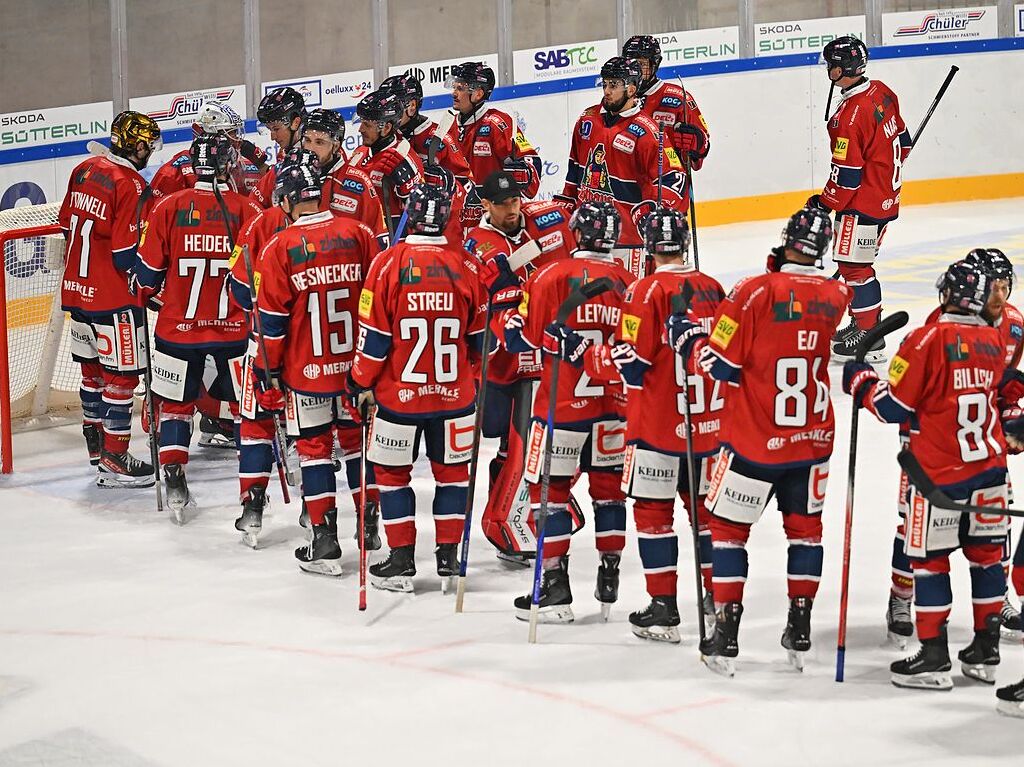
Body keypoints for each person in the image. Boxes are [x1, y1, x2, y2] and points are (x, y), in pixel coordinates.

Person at [671, 207, 851, 675]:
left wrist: (689, 340)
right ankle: (801, 624)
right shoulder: (837, 294)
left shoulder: (752, 292)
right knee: (806, 533)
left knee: (729, 533)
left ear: (786, 239)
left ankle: (726, 631)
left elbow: (720, 366)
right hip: (813, 442)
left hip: (754, 442)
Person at [844, 259, 1014, 690]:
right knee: (988, 560)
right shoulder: (996, 340)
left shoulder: (925, 339)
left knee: (931, 563)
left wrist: (862, 381)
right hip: (991, 472)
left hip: (935, 477)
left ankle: (934, 656)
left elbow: (893, 408)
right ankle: (986, 650)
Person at [348, 183, 487, 593]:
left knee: (391, 475)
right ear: (445, 217)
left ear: (409, 212)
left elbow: (373, 337)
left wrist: (359, 381)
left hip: (398, 399)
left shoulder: (387, 264)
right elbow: (480, 341)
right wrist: (469, 381)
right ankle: (448, 557)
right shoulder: (467, 265)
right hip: (454, 396)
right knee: (453, 476)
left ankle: (402, 559)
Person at [500, 201, 634, 623]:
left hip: (560, 408)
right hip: (613, 407)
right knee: (609, 492)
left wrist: (507, 319)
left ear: (577, 233)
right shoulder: (630, 284)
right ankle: (609, 575)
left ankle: (555, 585)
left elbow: (525, 343)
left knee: (550, 495)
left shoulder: (550, 276)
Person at [884, 248, 1024, 645]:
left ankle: (997, 603)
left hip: (982, 447)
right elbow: (916, 394)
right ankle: (901, 596)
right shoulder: (939, 326)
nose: (998, 296)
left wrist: (1013, 421)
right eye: (991, 287)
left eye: (1004, 286)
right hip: (931, 449)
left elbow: (1000, 387)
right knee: (913, 527)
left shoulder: (1014, 325)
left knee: (995, 525)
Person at [251, 160, 381, 572]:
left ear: (288, 201)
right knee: (359, 444)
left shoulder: (279, 247)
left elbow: (269, 323)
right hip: (358, 369)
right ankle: (371, 524)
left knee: (314, 450)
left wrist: (265, 374)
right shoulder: (359, 234)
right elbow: (380, 301)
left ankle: (323, 537)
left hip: (306, 373)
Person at [133, 134, 262, 518]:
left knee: (175, 405)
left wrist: (143, 289)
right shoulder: (246, 210)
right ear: (227, 165)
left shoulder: (168, 207)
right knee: (245, 407)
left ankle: (173, 473)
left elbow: (146, 277)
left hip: (177, 329)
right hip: (233, 331)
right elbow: (256, 277)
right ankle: (253, 496)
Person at [464, 170, 580, 564]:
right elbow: (501, 303)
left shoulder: (544, 218)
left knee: (528, 443)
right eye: (501, 204)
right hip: (499, 362)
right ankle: (511, 514)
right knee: (507, 441)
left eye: (514, 201)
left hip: (542, 359)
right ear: (486, 206)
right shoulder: (477, 244)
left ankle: (513, 519)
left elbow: (580, 230)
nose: (511, 209)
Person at [58, 110, 163, 487]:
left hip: (75, 291)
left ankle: (94, 441)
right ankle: (115, 455)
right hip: (113, 298)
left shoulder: (84, 168)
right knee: (121, 377)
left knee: (91, 372)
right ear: (137, 145)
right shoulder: (132, 185)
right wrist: (152, 285)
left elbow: (65, 221)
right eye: (149, 145)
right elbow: (125, 253)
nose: (150, 152)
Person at [810, 36, 911, 362]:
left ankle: (870, 337)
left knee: (854, 267)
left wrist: (825, 203)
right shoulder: (881, 91)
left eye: (831, 65)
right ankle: (864, 325)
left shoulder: (850, 117)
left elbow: (847, 175)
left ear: (840, 69)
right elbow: (904, 142)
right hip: (885, 199)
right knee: (857, 265)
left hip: (862, 204)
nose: (829, 70)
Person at [559, 57, 685, 277]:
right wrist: (567, 202)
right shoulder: (586, 120)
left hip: (627, 241)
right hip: (586, 236)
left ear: (632, 89)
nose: (606, 91)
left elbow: (674, 180)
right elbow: (575, 169)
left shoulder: (648, 132)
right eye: (605, 83)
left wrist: (650, 213)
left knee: (627, 302)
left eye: (614, 85)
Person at [621, 34, 711, 202]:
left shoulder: (677, 99)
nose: (636, 71)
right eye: (631, 64)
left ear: (655, 64)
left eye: (641, 64)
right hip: (626, 192)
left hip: (668, 193)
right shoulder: (618, 98)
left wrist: (697, 142)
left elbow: (702, 148)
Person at [444, 61, 542, 212]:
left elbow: (532, 162)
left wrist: (524, 174)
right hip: (460, 215)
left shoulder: (499, 124)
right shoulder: (448, 126)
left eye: (460, 88)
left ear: (478, 94)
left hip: (495, 215)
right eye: (454, 87)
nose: (454, 93)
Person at [300, 107, 388, 245]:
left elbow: (378, 238)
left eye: (319, 142)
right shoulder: (290, 176)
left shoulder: (358, 183)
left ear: (336, 145)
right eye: (307, 140)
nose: (310, 148)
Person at [149, 100, 268, 197]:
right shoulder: (178, 168)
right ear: (207, 133)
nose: (236, 139)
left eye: (235, 132)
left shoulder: (247, 165)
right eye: (230, 132)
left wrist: (261, 166)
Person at [348, 90, 424, 234]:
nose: (360, 129)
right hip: (364, 239)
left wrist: (409, 193)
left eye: (367, 125)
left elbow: (421, 212)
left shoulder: (402, 158)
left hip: (391, 246)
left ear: (387, 128)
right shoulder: (361, 152)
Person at [250, 87, 307, 209]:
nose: (272, 137)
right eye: (270, 130)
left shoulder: (324, 153)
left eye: (276, 129)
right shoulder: (285, 152)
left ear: (295, 122)